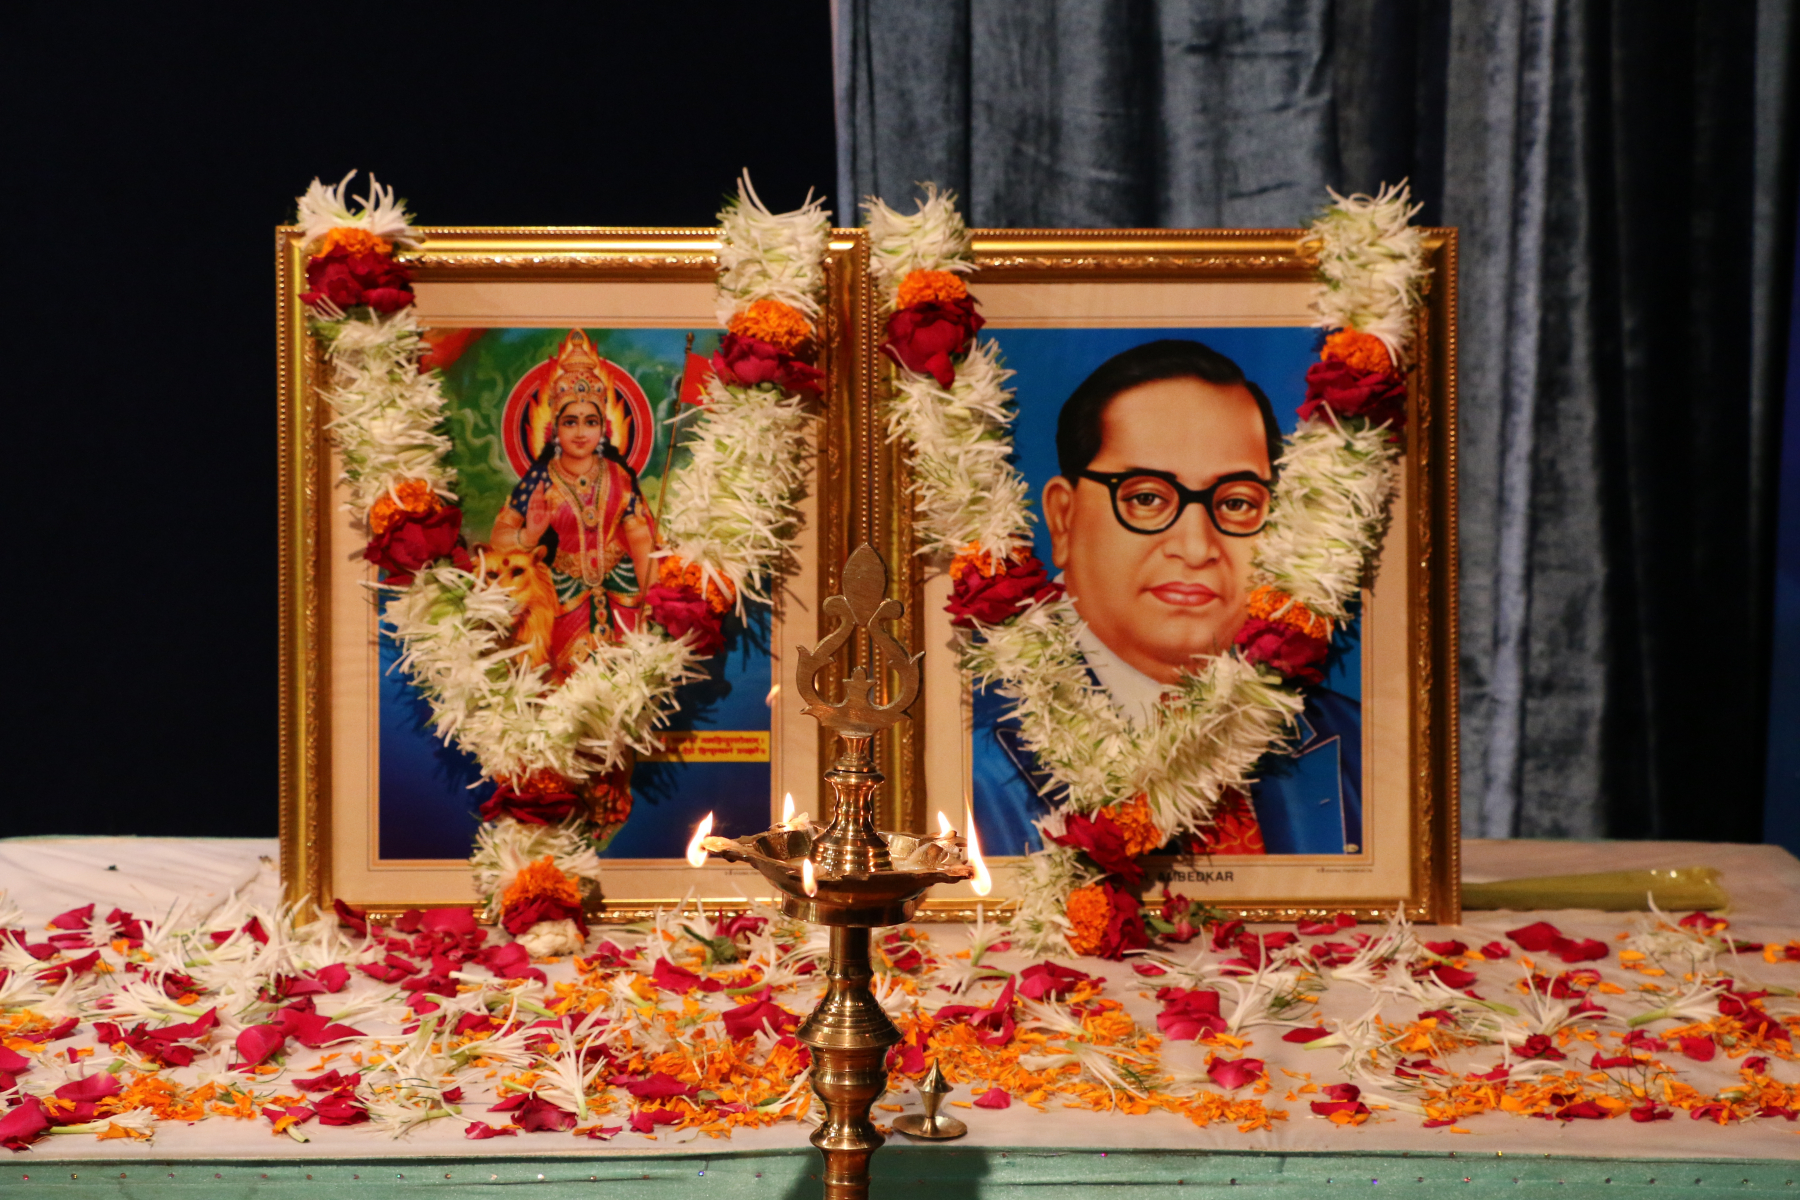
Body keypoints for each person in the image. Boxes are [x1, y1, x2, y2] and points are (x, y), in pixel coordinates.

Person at [971, 338, 1362, 857]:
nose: (1197, 547)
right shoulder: (967, 753)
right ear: (1063, 520)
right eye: (1147, 497)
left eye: (1237, 502)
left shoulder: (1355, 742)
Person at [489, 330, 657, 678]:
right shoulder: (540, 479)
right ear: (554, 429)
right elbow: (499, 537)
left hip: (623, 597)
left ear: (603, 428)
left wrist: (652, 602)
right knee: (565, 684)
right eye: (570, 422)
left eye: (590, 422)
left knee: (629, 681)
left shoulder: (620, 476)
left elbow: (642, 543)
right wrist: (529, 536)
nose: (581, 433)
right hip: (563, 601)